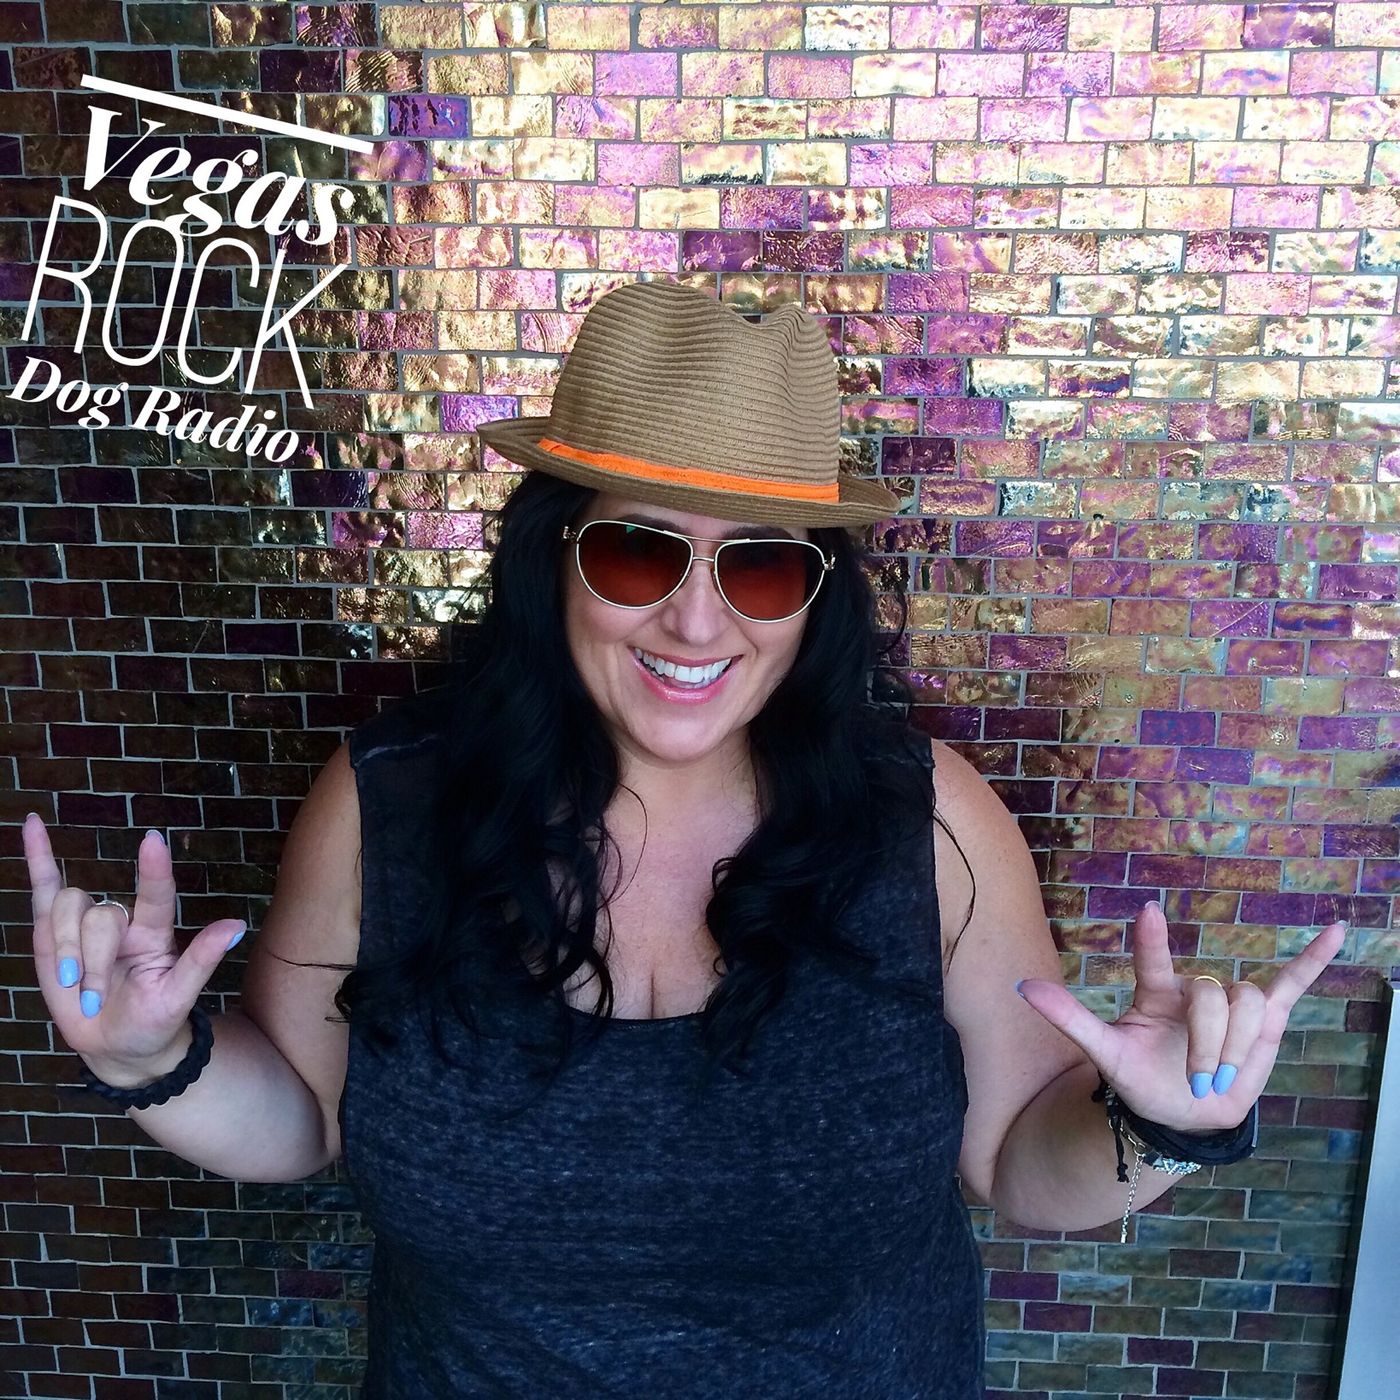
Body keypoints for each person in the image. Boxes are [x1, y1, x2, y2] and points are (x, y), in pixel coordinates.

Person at [24, 280, 1345, 1398]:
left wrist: (1160, 1127)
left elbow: (1018, 1164)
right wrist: (151, 1059)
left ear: (815, 596)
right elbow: (304, 1118)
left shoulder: (927, 819)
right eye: (640, 555)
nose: (698, 624)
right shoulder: (390, 801)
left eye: (760, 564)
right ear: (554, 559)